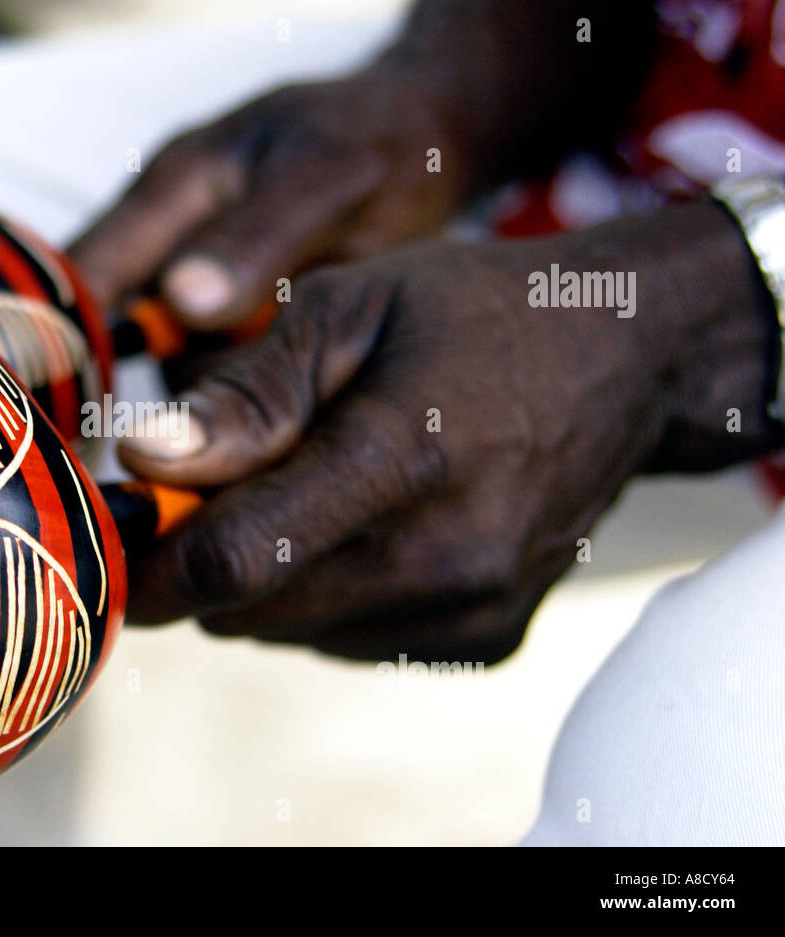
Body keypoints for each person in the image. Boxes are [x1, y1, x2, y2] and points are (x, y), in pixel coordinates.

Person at [70, 0, 785, 843]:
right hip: (642, 142)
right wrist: (446, 95)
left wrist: (695, 315)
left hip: (692, 292)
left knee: (686, 794)